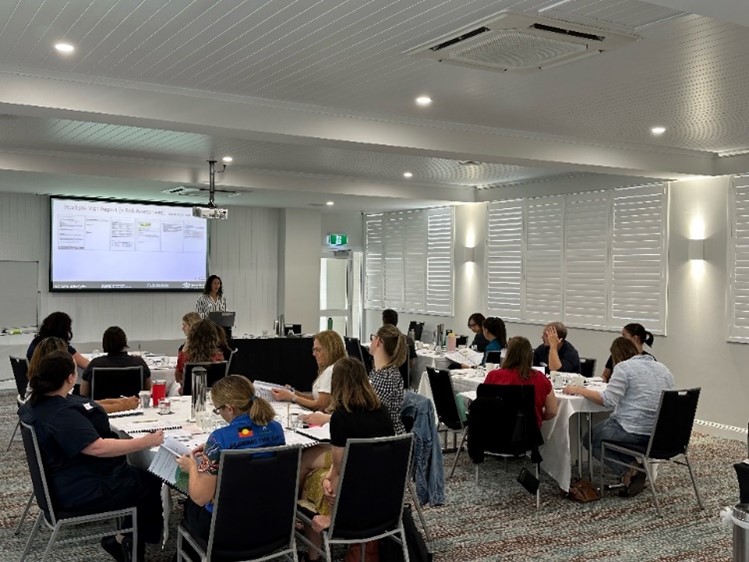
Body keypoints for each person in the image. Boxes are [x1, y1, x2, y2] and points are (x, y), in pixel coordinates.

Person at [19, 350, 164, 561]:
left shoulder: (36, 405)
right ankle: (126, 541)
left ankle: (125, 539)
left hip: (59, 482)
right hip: (79, 490)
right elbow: (97, 448)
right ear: (71, 377)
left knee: (137, 477)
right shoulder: (61, 414)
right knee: (150, 481)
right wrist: (145, 442)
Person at [176, 375, 285, 560]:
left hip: (225, 529)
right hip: (270, 520)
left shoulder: (220, 438)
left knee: (190, 504)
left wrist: (192, 466)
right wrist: (212, 451)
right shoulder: (276, 428)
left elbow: (201, 497)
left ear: (229, 408)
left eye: (219, 410)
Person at [303, 357, 394, 560]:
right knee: (321, 475)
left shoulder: (342, 418)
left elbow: (339, 468)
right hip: (385, 494)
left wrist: (331, 515)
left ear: (337, 384)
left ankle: (309, 546)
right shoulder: (382, 411)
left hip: (354, 496)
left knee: (312, 478)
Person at [563, 337, 674, 497]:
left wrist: (579, 390)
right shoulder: (663, 368)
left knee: (591, 439)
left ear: (616, 356)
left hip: (632, 429)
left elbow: (608, 401)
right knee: (603, 434)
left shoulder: (624, 368)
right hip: (659, 434)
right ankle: (632, 469)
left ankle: (630, 470)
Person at [29, 336, 138, 414]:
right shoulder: (55, 401)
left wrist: (120, 402)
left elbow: (87, 404)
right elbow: (85, 408)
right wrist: (122, 406)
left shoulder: (41, 390)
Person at [484, 336, 558, 428]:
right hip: (529, 432)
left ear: (508, 355)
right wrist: (537, 417)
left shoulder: (494, 376)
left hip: (497, 429)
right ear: (530, 355)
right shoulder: (541, 378)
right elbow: (552, 411)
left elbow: (485, 405)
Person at [271, 330, 345, 411]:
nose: (314, 354)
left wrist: (292, 397)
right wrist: (293, 392)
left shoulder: (331, 371)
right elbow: (315, 397)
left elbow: (320, 405)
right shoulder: (331, 368)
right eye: (314, 350)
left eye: (318, 350)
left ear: (330, 351)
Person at [80, 326, 151, 398]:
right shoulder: (139, 363)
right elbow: (148, 390)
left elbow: (83, 393)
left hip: (101, 408)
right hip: (134, 407)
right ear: (124, 341)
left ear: (104, 343)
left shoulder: (94, 365)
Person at [368, 324, 407, 434]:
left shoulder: (387, 377)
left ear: (378, 341)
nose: (371, 341)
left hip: (386, 437)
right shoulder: (379, 372)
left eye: (373, 337)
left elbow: (372, 411)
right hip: (379, 431)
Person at [175, 319, 224, 385]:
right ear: (214, 338)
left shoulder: (184, 356)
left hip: (188, 392)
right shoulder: (218, 357)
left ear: (192, 337)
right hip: (212, 392)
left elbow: (178, 379)